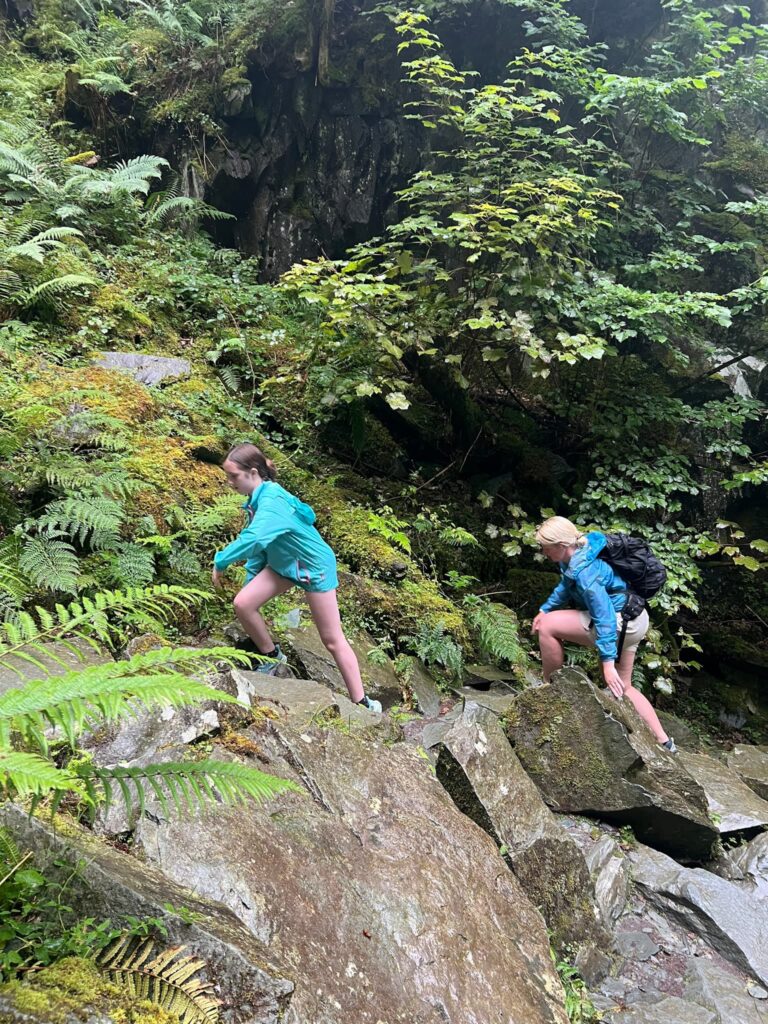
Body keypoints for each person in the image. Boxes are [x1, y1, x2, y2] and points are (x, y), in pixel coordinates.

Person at [212, 442, 382, 713]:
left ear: (253, 472)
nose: (230, 482)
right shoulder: (256, 502)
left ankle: (362, 703)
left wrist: (221, 561)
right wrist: (251, 583)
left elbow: (255, 539)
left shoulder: (272, 501)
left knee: (331, 639)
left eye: (234, 476)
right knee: (243, 603)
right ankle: (271, 656)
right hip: (284, 564)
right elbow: (261, 550)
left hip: (314, 567)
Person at [531, 516, 676, 753]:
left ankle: (550, 689)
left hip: (619, 623)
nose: (543, 552)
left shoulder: (585, 572)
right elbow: (565, 586)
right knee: (625, 686)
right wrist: (544, 608)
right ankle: (665, 742)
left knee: (548, 626)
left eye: (545, 547)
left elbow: (604, 616)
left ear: (560, 545)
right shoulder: (580, 553)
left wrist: (608, 663)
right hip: (636, 618)